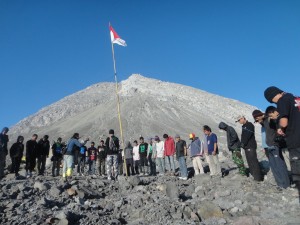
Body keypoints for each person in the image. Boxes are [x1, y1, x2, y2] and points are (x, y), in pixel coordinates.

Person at [264, 86, 300, 192]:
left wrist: (280, 127)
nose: (274, 103)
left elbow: (284, 122)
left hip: (295, 138)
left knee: (296, 163)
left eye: (271, 100)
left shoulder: (282, 100)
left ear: (274, 95)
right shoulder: (296, 98)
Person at [252, 109, 290, 188]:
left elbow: (277, 122)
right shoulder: (263, 124)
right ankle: (280, 184)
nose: (257, 120)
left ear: (259, 115)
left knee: (280, 165)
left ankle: (286, 184)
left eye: (257, 118)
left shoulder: (269, 119)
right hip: (268, 147)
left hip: (274, 145)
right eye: (255, 119)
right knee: (273, 167)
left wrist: (279, 132)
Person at [236, 115, 263, 181]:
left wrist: (243, 143)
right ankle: (254, 176)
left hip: (250, 146)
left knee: (253, 161)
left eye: (239, 120)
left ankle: (258, 178)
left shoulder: (249, 125)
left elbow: (247, 135)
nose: (239, 122)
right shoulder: (244, 126)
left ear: (243, 118)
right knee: (249, 162)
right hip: (246, 147)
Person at [265, 106, 291, 172]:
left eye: (271, 116)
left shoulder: (283, 118)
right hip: (282, 145)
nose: (271, 118)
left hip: (289, 145)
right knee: (288, 163)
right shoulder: (275, 121)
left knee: (293, 161)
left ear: (275, 112)